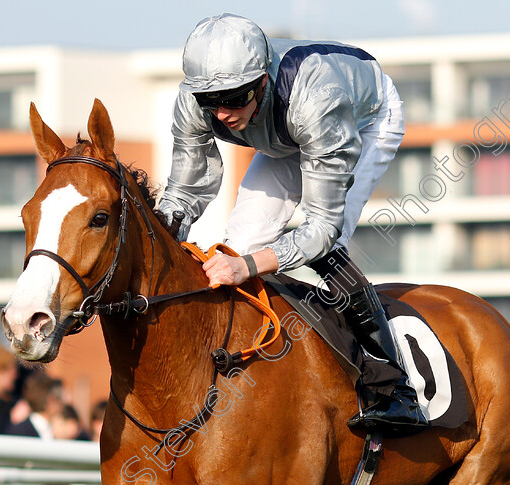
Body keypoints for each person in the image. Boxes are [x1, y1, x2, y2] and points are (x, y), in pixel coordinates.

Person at [157, 13, 426, 434]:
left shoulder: (316, 98)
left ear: (262, 80)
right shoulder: (194, 100)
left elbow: (320, 230)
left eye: (235, 97)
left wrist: (248, 265)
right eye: (213, 101)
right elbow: (185, 192)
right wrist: (158, 233)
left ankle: (395, 389)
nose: (223, 113)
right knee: (239, 240)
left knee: (327, 251)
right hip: (282, 134)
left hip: (361, 121)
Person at [6, 372, 64, 439]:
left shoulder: (53, 431)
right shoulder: (20, 433)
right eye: (61, 398)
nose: (65, 402)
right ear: (51, 400)